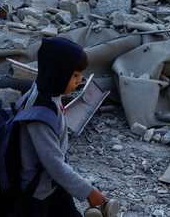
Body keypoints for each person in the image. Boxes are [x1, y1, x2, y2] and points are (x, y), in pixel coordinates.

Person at [19, 37, 107, 216]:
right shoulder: (39, 117)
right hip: (36, 191)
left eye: (80, 74)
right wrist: (88, 192)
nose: (80, 80)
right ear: (57, 73)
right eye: (74, 75)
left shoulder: (46, 91)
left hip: (52, 183)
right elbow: (54, 164)